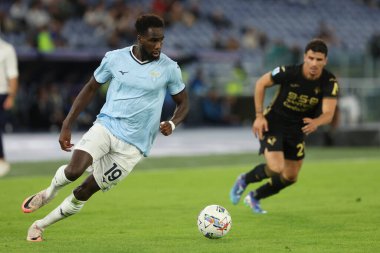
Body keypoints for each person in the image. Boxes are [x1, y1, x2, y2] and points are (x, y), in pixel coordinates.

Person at [21, 14, 189, 241]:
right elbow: (90, 88)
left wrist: (172, 122)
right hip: (106, 127)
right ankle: (48, 192)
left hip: (133, 147)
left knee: (84, 192)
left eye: (161, 40)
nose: (158, 45)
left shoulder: (169, 68)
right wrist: (67, 123)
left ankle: (39, 225)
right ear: (140, 38)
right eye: (153, 40)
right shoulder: (114, 58)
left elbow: (183, 103)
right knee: (73, 171)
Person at [230, 39, 339, 213]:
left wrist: (317, 122)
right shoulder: (289, 72)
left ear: (325, 60)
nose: (314, 63)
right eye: (311, 58)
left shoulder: (329, 81)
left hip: (297, 130)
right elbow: (261, 83)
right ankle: (245, 179)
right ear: (305, 57)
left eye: (319, 60)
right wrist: (258, 116)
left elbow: (328, 113)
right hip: (274, 123)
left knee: (290, 176)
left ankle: (255, 197)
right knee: (275, 167)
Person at [0, 37, 19, 177]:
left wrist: (11, 96)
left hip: (2, 93)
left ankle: (1, 160)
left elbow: (12, 74)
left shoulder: (6, 49)